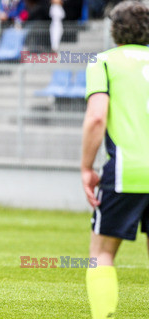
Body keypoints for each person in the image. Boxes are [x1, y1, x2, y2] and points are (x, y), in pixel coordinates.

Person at [81, 2, 149, 318]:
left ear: (114, 30)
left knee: (102, 254)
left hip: (129, 170)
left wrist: (85, 167)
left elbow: (96, 118)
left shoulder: (104, 62)